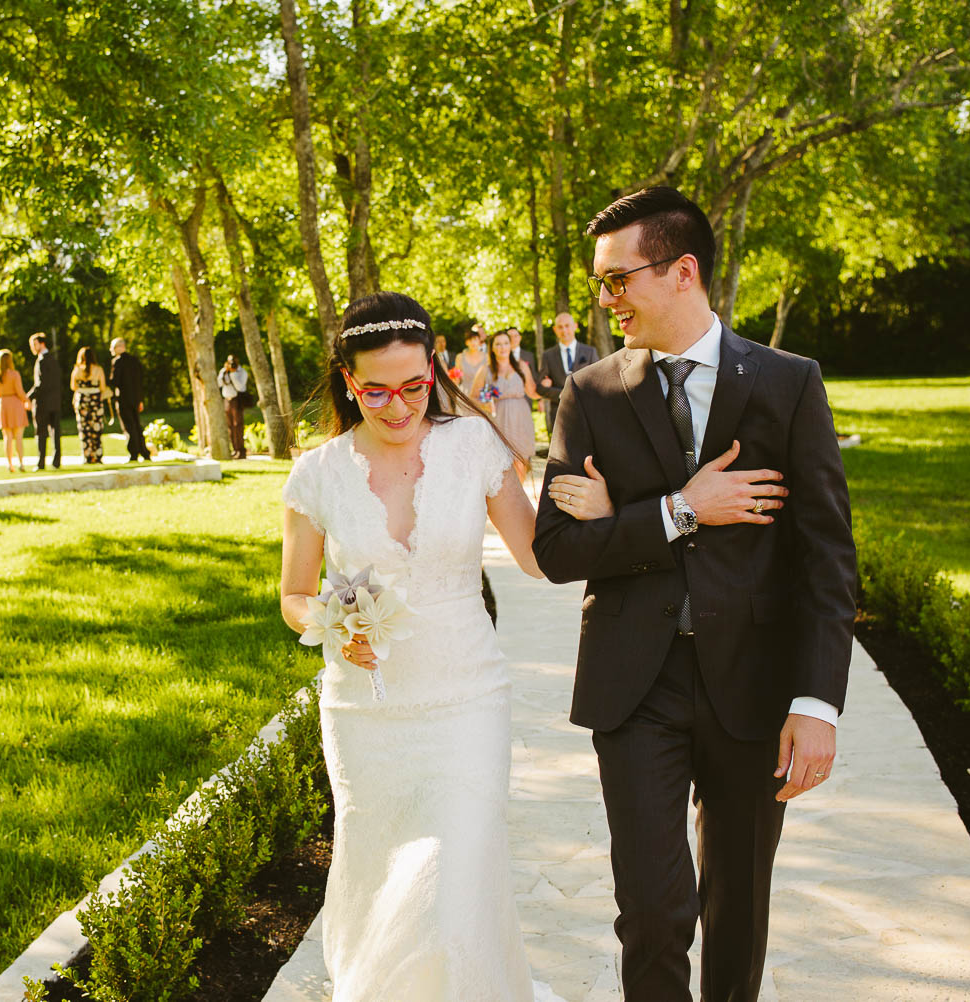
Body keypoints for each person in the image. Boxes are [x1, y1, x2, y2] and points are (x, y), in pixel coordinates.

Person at [533, 186, 856, 1002]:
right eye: (599, 285)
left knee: (737, 905)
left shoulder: (788, 383)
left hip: (755, 684)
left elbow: (825, 557)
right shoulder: (592, 394)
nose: (606, 302)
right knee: (651, 908)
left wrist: (817, 704)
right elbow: (558, 549)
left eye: (618, 280)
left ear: (683, 271)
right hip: (633, 686)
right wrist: (679, 512)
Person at [279, 291, 608, 1000]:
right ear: (346, 381)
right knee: (378, 872)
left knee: (451, 875)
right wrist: (335, 625)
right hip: (367, 715)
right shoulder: (316, 474)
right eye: (375, 391)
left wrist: (606, 515)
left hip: (466, 700)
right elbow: (293, 595)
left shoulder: (473, 446)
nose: (398, 406)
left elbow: (536, 556)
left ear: (434, 368)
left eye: (414, 386)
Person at [469, 330, 540, 482]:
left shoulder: (521, 366)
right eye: (498, 344)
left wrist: (548, 389)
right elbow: (473, 396)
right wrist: (486, 405)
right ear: (492, 348)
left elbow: (532, 391)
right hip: (499, 419)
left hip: (521, 418)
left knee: (521, 461)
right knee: (502, 463)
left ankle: (519, 498)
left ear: (511, 345)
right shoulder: (486, 370)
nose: (503, 347)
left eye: (506, 343)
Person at [537, 312, 597, 435]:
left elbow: (597, 381)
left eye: (567, 326)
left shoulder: (590, 352)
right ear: (555, 330)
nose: (564, 330)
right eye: (560, 327)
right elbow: (540, 388)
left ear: (575, 326)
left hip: (586, 413)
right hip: (559, 413)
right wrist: (562, 394)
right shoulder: (548, 356)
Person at [109, 337, 152, 461]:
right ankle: (144, 452)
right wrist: (140, 399)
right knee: (137, 425)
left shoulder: (117, 362)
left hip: (123, 399)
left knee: (129, 426)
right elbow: (140, 381)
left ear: (119, 347)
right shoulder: (135, 361)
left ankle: (134, 452)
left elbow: (115, 381)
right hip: (135, 398)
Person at [0, 348, 31, 473]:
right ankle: (21, 463)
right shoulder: (14, 374)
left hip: (2, 405)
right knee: (18, 436)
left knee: (7, 436)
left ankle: (9, 464)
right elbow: (20, 392)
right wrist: (27, 401)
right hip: (15, 404)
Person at [26, 332, 63, 470]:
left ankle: (41, 463)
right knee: (55, 433)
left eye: (34, 344)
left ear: (42, 344)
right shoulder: (53, 359)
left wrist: (28, 397)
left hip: (43, 404)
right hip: (55, 402)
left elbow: (41, 384)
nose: (32, 347)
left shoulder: (42, 360)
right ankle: (56, 462)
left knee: (41, 434)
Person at [69, 346, 111, 465]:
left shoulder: (77, 370)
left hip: (82, 400)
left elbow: (73, 386)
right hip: (95, 400)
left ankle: (87, 456)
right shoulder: (98, 369)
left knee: (84, 429)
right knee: (96, 428)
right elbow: (102, 387)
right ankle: (97, 455)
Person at [219, 354, 250, 459]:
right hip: (226, 400)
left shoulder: (242, 372)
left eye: (233, 361)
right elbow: (218, 383)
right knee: (230, 427)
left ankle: (241, 451)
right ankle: (235, 449)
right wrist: (225, 372)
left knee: (238, 426)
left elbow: (240, 387)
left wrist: (233, 374)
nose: (231, 363)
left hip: (236, 400)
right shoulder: (224, 371)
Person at [453, 325, 488, 400]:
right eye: (470, 340)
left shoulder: (487, 357)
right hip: (464, 394)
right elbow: (457, 377)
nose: (473, 342)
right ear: (466, 342)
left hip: (482, 395)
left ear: (479, 341)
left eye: (475, 339)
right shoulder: (460, 357)